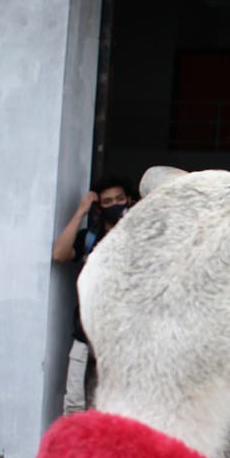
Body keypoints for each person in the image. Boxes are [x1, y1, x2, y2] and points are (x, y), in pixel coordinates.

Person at [52, 174, 133, 414]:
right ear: (98, 208)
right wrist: (80, 212)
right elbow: (59, 254)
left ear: (129, 201)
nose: (115, 205)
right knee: (75, 404)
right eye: (108, 202)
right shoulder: (89, 239)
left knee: (120, 408)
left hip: (124, 339)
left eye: (120, 199)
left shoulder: (139, 238)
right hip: (85, 336)